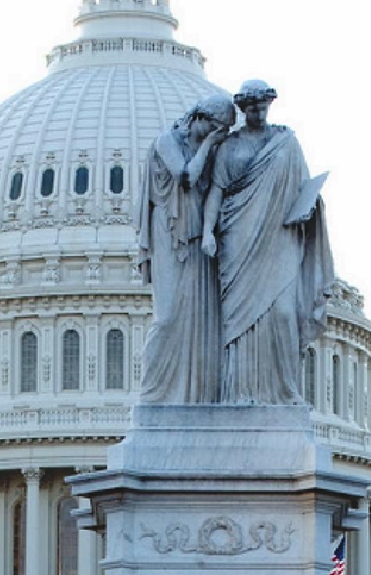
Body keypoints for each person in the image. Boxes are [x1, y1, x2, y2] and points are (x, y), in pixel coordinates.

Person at [202, 80, 336, 405]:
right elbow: (217, 192)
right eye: (252, 107)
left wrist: (308, 209)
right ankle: (239, 393)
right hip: (238, 239)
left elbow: (304, 188)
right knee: (238, 321)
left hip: (280, 239)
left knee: (284, 314)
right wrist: (207, 231)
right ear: (243, 109)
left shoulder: (286, 143)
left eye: (263, 106)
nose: (258, 112)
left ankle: (284, 392)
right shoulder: (230, 148)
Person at [137, 94, 236, 403]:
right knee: (166, 317)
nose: (216, 136)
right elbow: (185, 177)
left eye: (221, 132)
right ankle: (153, 395)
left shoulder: (213, 150)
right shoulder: (167, 141)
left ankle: (195, 396)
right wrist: (207, 145)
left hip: (197, 238)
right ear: (200, 118)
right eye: (215, 129)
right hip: (169, 232)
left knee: (199, 319)